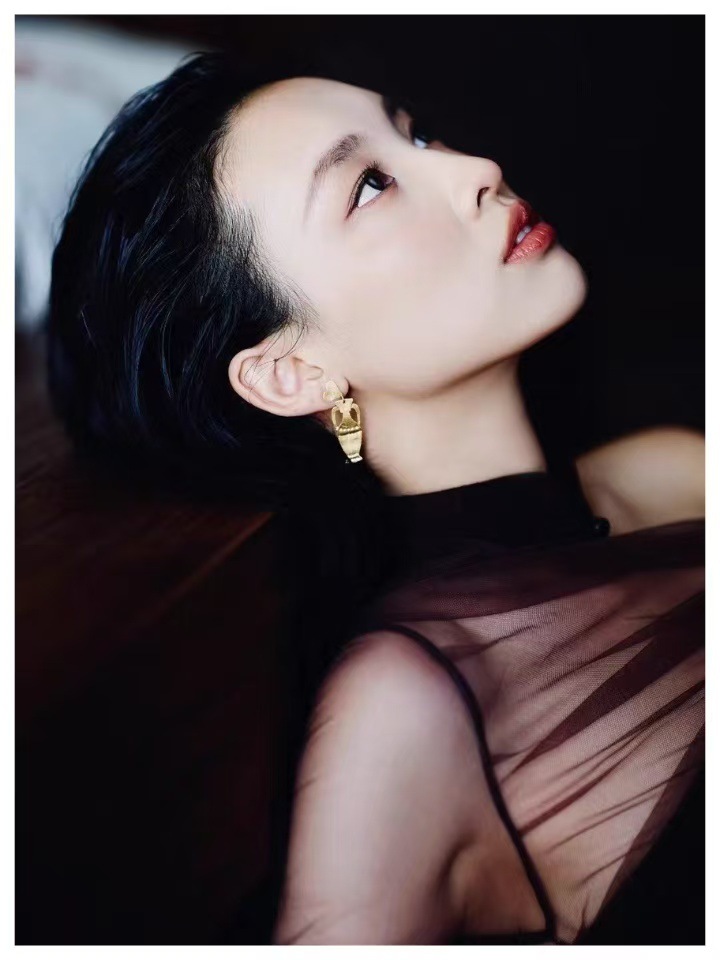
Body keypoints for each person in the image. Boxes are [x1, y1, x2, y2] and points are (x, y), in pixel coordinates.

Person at [45, 51, 704, 945]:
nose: (478, 170)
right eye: (367, 187)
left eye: (417, 136)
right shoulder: (408, 700)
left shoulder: (672, 472)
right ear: (291, 373)